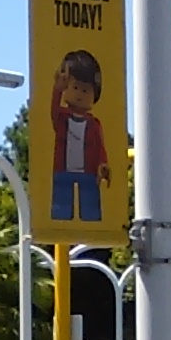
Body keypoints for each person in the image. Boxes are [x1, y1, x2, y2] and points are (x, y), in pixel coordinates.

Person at [49, 50, 111, 224]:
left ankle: (91, 222)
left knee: (90, 207)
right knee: (62, 206)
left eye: (85, 90)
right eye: (75, 87)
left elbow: (100, 148)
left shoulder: (94, 124)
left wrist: (103, 165)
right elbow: (53, 111)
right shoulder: (62, 117)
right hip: (63, 171)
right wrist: (57, 90)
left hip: (89, 174)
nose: (79, 94)